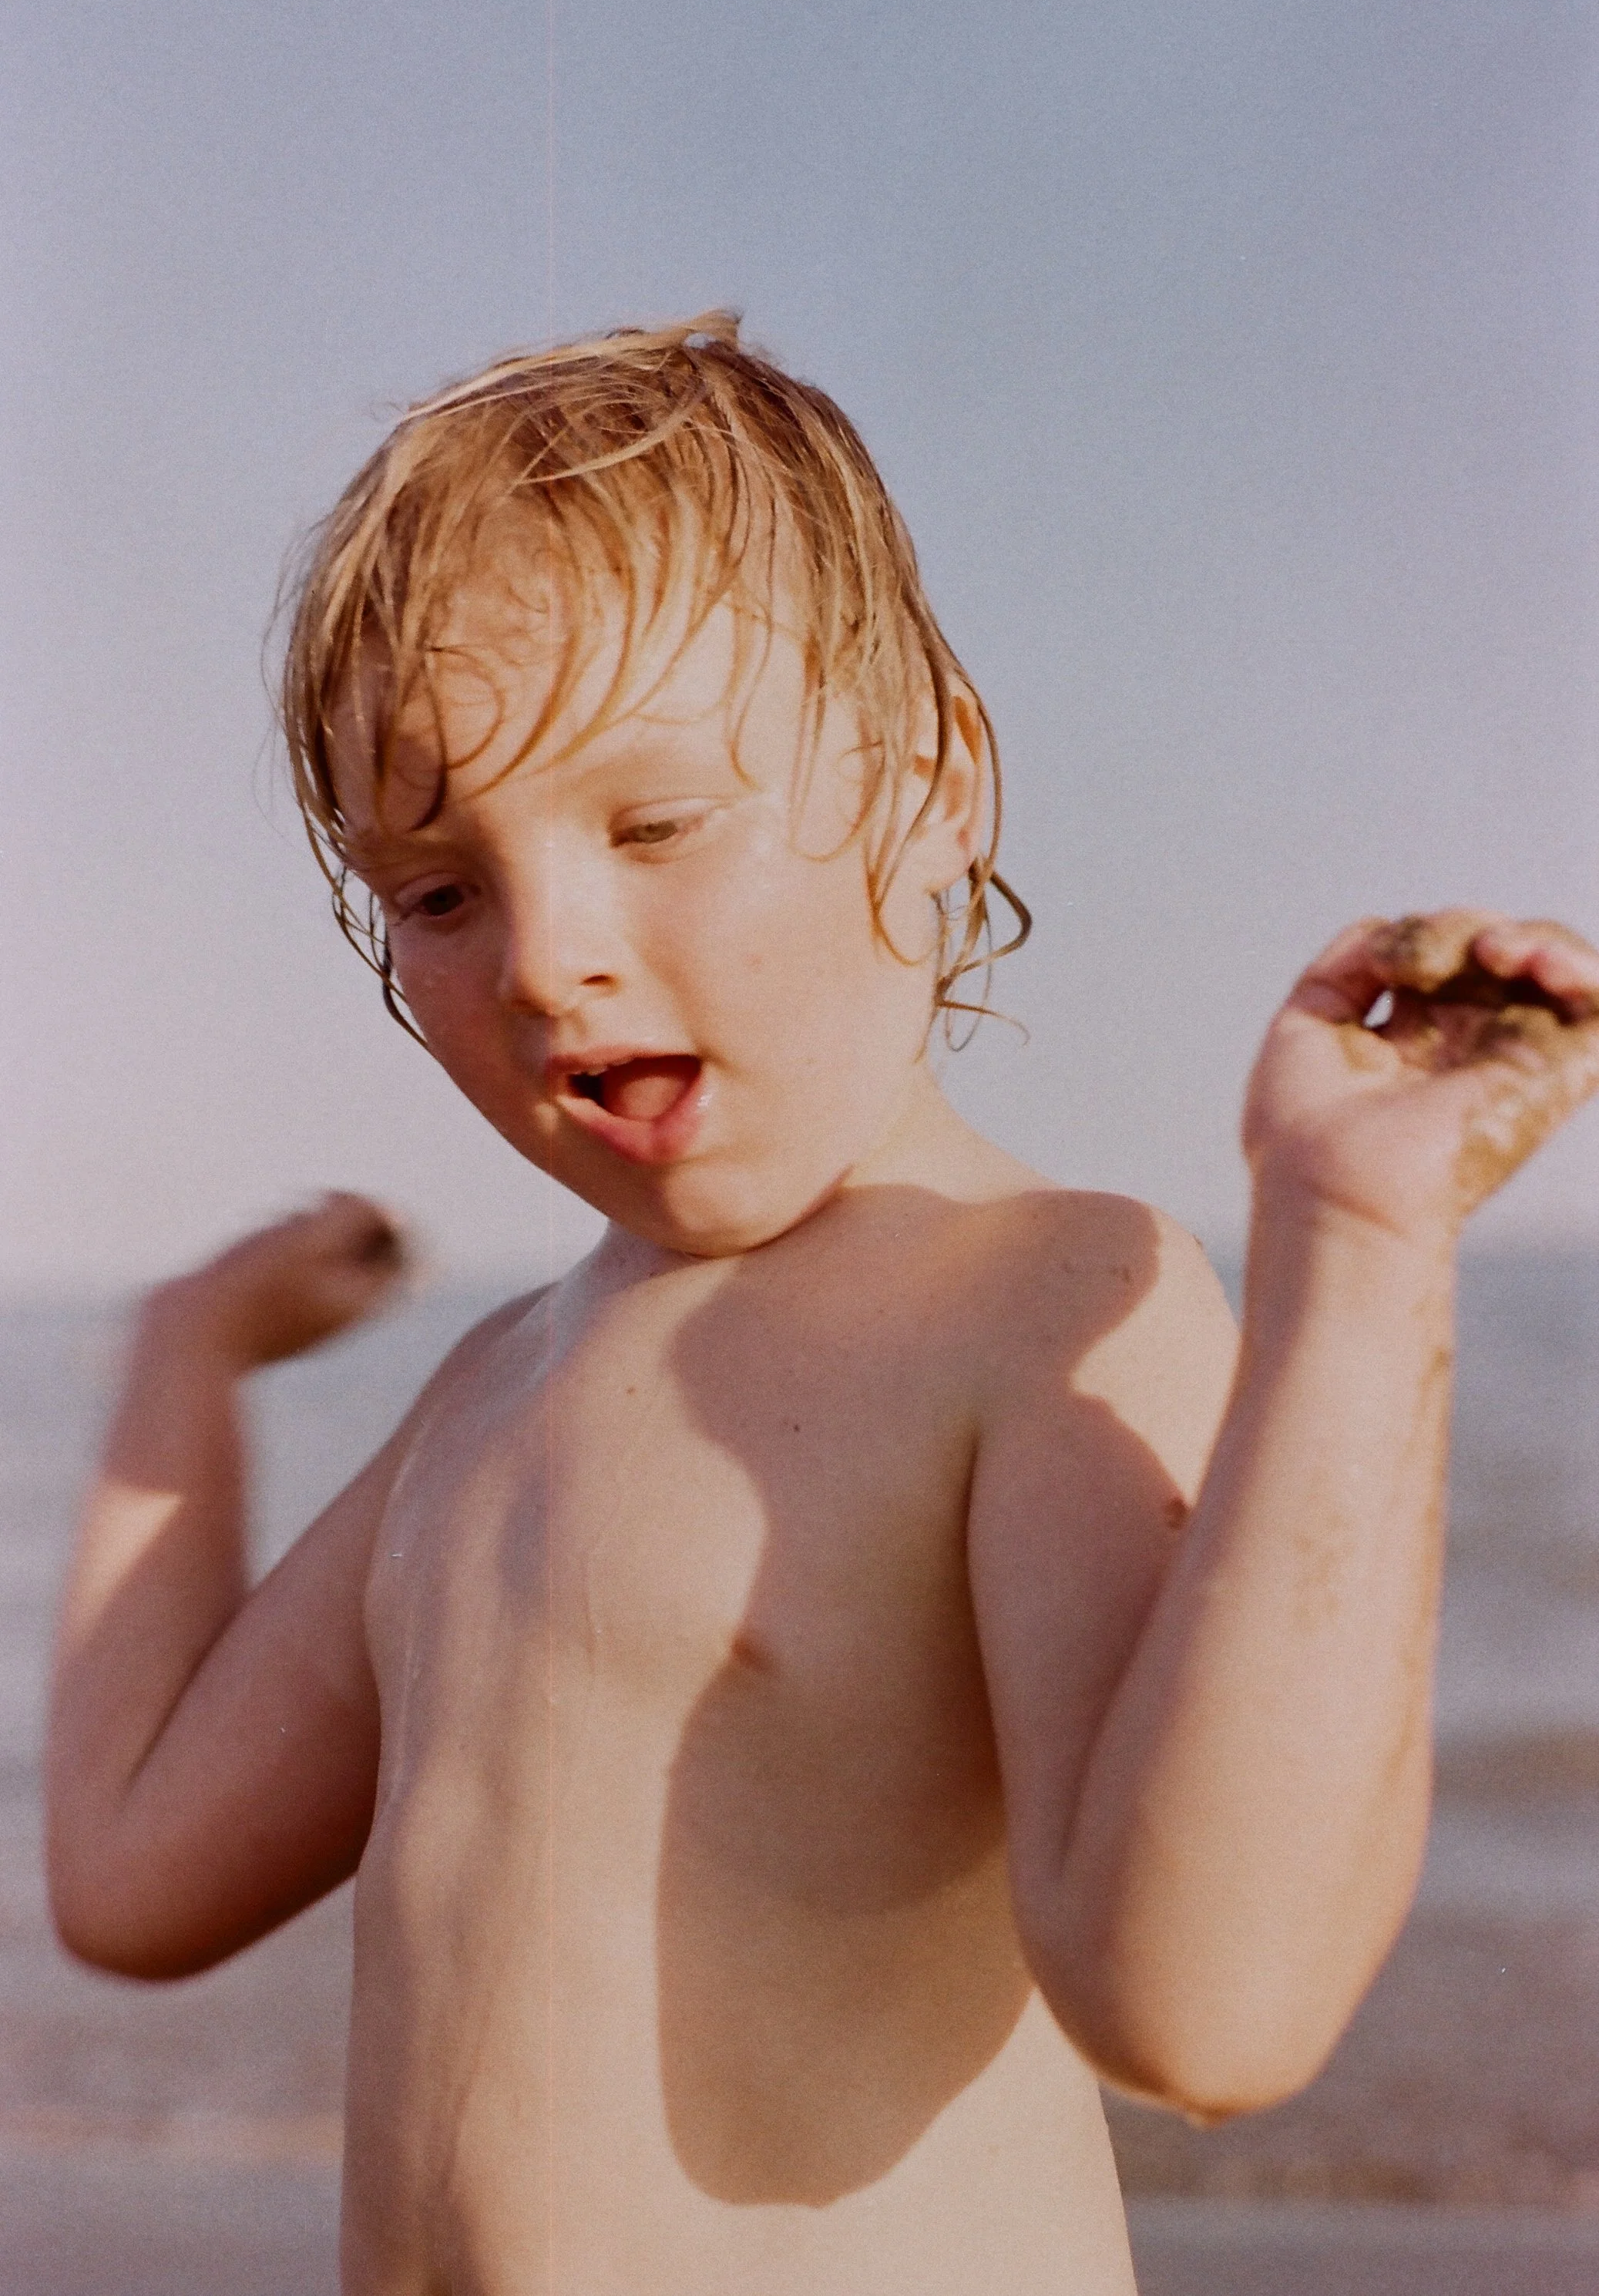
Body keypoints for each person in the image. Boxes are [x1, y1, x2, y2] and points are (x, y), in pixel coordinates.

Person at [45, 314, 1599, 2295]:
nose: (547, 957)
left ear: (932, 778)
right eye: (437, 890)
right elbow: (130, 1870)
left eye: (652, 821)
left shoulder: (1035, 1298)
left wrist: (1359, 1249)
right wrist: (184, 1359)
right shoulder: (484, 1398)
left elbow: (1210, 2008)